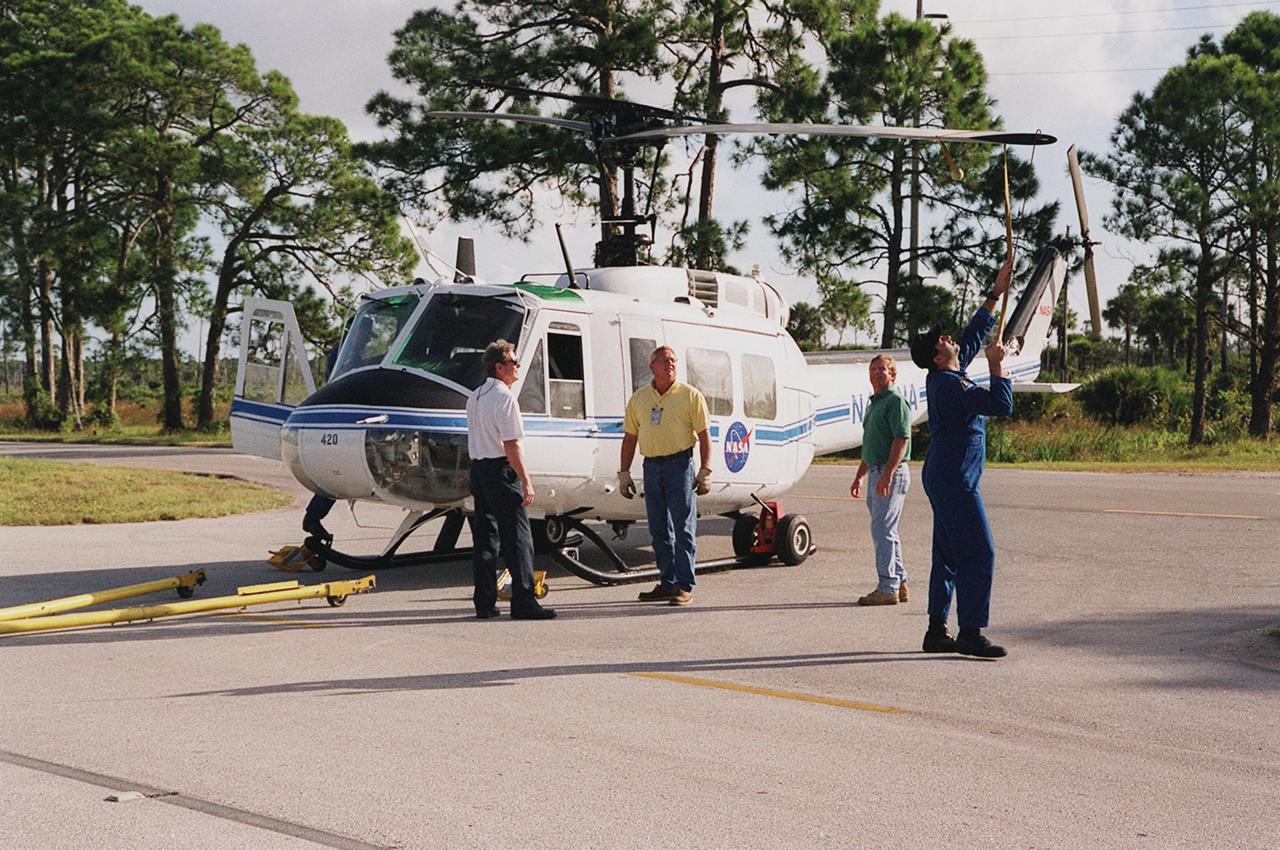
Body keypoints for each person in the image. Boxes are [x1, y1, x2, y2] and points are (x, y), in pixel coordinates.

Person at [909, 261, 1015, 658]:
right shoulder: (951, 385)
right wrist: (997, 365)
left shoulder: (949, 374)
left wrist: (996, 292)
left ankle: (936, 630)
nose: (949, 338)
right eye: (942, 340)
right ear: (938, 357)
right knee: (980, 552)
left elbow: (972, 336)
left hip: (944, 473)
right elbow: (1000, 405)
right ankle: (970, 632)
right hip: (955, 479)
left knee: (949, 554)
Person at [465, 339, 556, 620]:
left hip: (479, 470)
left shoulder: (475, 396)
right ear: (499, 367)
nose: (518, 366)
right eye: (513, 362)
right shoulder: (504, 398)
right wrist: (525, 480)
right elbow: (511, 445)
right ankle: (524, 601)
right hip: (500, 471)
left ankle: (484, 601)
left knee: (485, 538)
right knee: (518, 538)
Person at [619, 346, 712, 607]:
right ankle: (667, 581)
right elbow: (630, 438)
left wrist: (705, 470)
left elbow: (704, 435)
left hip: (679, 465)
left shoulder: (690, 396)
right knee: (658, 528)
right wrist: (624, 473)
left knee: (683, 527)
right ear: (652, 366)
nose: (670, 364)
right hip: (651, 466)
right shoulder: (639, 399)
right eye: (664, 360)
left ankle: (684, 586)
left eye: (673, 360)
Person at [849, 354, 912, 606]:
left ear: (892, 375)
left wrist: (887, 474)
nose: (876, 373)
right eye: (873, 369)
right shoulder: (875, 403)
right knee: (887, 530)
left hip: (891, 473)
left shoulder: (895, 401)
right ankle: (900, 581)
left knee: (882, 530)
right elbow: (871, 444)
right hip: (876, 471)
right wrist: (860, 476)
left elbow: (901, 438)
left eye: (882, 370)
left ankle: (887, 587)